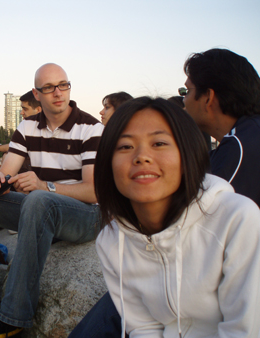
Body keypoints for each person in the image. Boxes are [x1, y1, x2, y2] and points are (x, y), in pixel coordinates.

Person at [0, 63, 104, 338]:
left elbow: (94, 191)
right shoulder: (27, 127)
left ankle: (13, 317)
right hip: (42, 210)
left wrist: (44, 186)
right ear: (37, 94)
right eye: (49, 88)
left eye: (63, 85)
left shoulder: (91, 129)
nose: (58, 93)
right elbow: (9, 167)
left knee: (38, 199)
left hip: (85, 215)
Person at [83, 97, 260, 337]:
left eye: (159, 143)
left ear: (186, 155)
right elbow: (143, 328)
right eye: (125, 146)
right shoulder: (111, 241)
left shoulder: (237, 220)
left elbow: (244, 331)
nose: (142, 156)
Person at [180, 48, 260, 206]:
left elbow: (206, 213)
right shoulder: (248, 135)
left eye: (186, 91)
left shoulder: (238, 147)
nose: (183, 101)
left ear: (208, 98)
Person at [0, 90, 42, 172]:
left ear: (38, 110)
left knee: (7, 156)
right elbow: (19, 144)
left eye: (25, 109)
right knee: (7, 156)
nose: (21, 113)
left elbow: (25, 145)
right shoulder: (26, 126)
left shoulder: (47, 128)